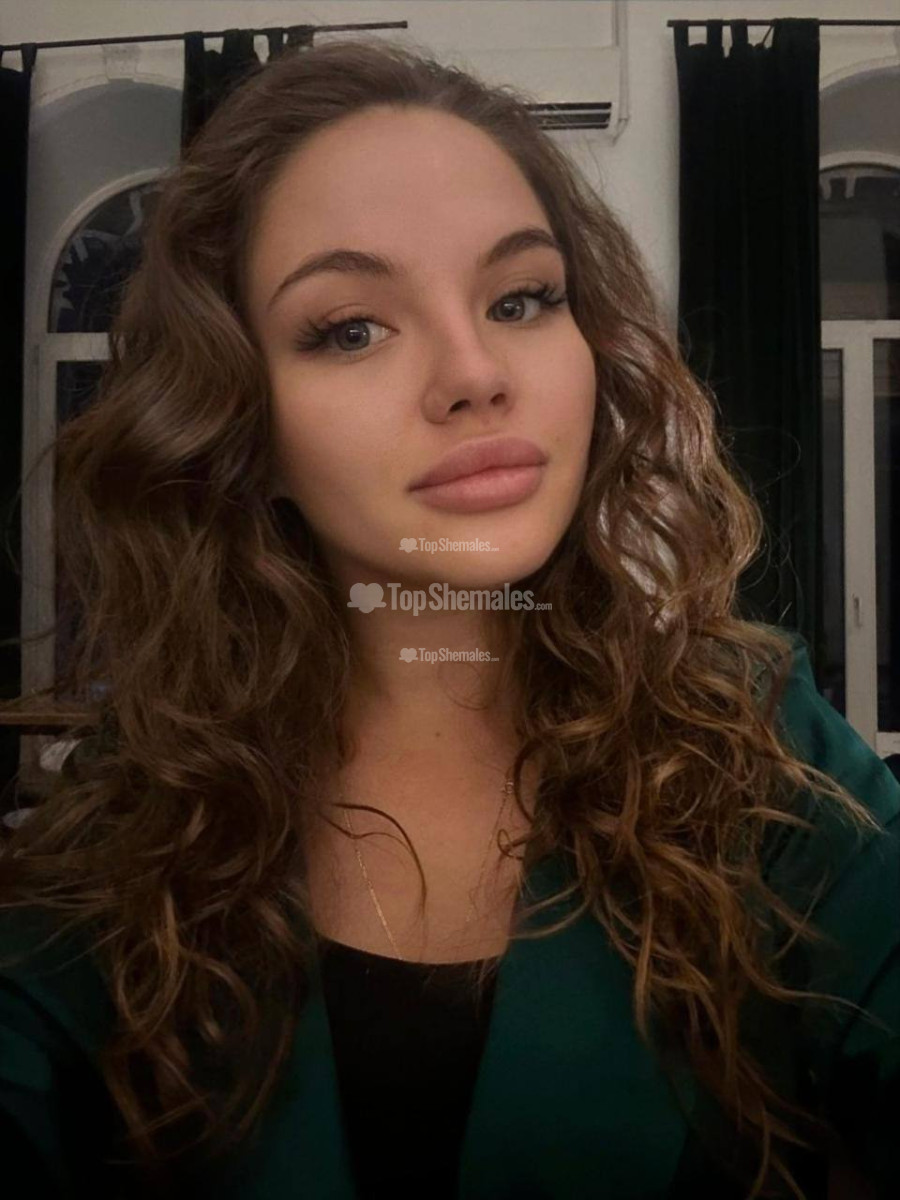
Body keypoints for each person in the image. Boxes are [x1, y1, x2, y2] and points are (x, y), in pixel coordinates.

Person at [0, 35, 896, 1200]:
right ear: (241, 423)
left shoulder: (760, 743)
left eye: (522, 299)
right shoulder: (142, 802)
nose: (475, 372)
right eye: (350, 328)